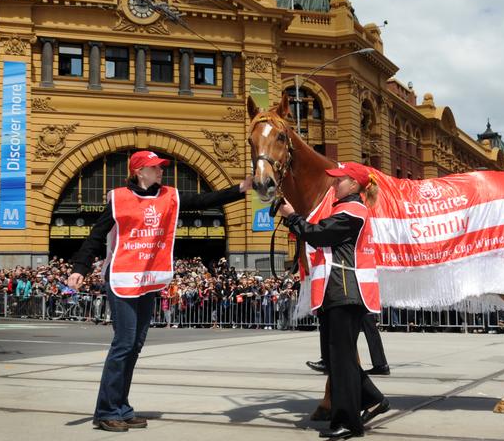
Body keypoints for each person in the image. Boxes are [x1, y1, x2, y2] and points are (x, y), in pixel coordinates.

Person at [68, 150, 252, 432]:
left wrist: (241, 188)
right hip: (122, 278)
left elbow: (204, 200)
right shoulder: (118, 198)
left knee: (135, 345)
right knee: (124, 344)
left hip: (148, 280)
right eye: (155, 167)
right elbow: (95, 236)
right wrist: (79, 268)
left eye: (161, 167)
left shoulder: (169, 195)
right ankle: (106, 410)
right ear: (139, 171)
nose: (161, 171)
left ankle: (122, 407)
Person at [278, 161, 390, 439]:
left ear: (354, 185)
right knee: (338, 358)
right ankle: (373, 399)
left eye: (339, 180)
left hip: (344, 291)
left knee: (340, 359)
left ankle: (348, 422)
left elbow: (319, 235)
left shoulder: (352, 211)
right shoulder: (345, 209)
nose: (333, 184)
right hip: (338, 291)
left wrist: (293, 217)